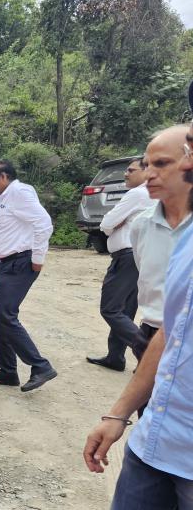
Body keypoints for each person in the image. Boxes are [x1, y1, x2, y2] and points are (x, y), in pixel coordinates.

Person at [83, 114, 193, 510]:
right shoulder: (176, 238)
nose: (150, 172)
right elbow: (168, 331)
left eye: (162, 161)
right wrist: (120, 411)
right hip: (162, 436)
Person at [0, 160, 57, 393]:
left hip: (22, 263)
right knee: (1, 317)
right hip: (8, 262)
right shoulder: (5, 197)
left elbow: (43, 224)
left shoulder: (19, 193)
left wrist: (37, 259)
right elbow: (11, 232)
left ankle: (40, 366)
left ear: (3, 177)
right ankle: (8, 370)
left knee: (6, 316)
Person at [129, 125, 193, 361]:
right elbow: (144, 272)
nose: (148, 175)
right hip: (150, 334)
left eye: (161, 164)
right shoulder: (141, 225)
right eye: (147, 165)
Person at [86, 157, 154, 371]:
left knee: (110, 309)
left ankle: (148, 351)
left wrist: (112, 226)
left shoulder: (137, 194)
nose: (125, 174)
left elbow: (106, 224)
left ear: (146, 171)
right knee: (126, 309)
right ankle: (115, 357)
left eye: (131, 170)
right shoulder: (154, 195)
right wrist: (116, 223)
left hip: (126, 256)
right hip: (141, 258)